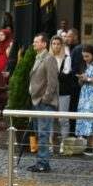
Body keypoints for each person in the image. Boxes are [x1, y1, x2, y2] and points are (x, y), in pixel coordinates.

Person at [27, 33, 59, 173]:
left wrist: (45, 99)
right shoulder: (38, 57)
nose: (33, 44)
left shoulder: (49, 58)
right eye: (34, 41)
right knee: (39, 133)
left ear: (44, 44)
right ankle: (41, 161)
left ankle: (43, 163)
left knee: (44, 133)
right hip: (37, 101)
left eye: (36, 41)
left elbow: (52, 83)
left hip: (44, 102)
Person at [50, 35, 75, 144]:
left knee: (63, 119)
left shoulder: (66, 58)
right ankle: (49, 144)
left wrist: (53, 72)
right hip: (50, 92)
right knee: (50, 119)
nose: (56, 46)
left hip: (63, 92)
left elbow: (65, 76)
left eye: (58, 44)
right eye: (54, 44)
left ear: (62, 45)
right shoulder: (48, 57)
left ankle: (64, 144)